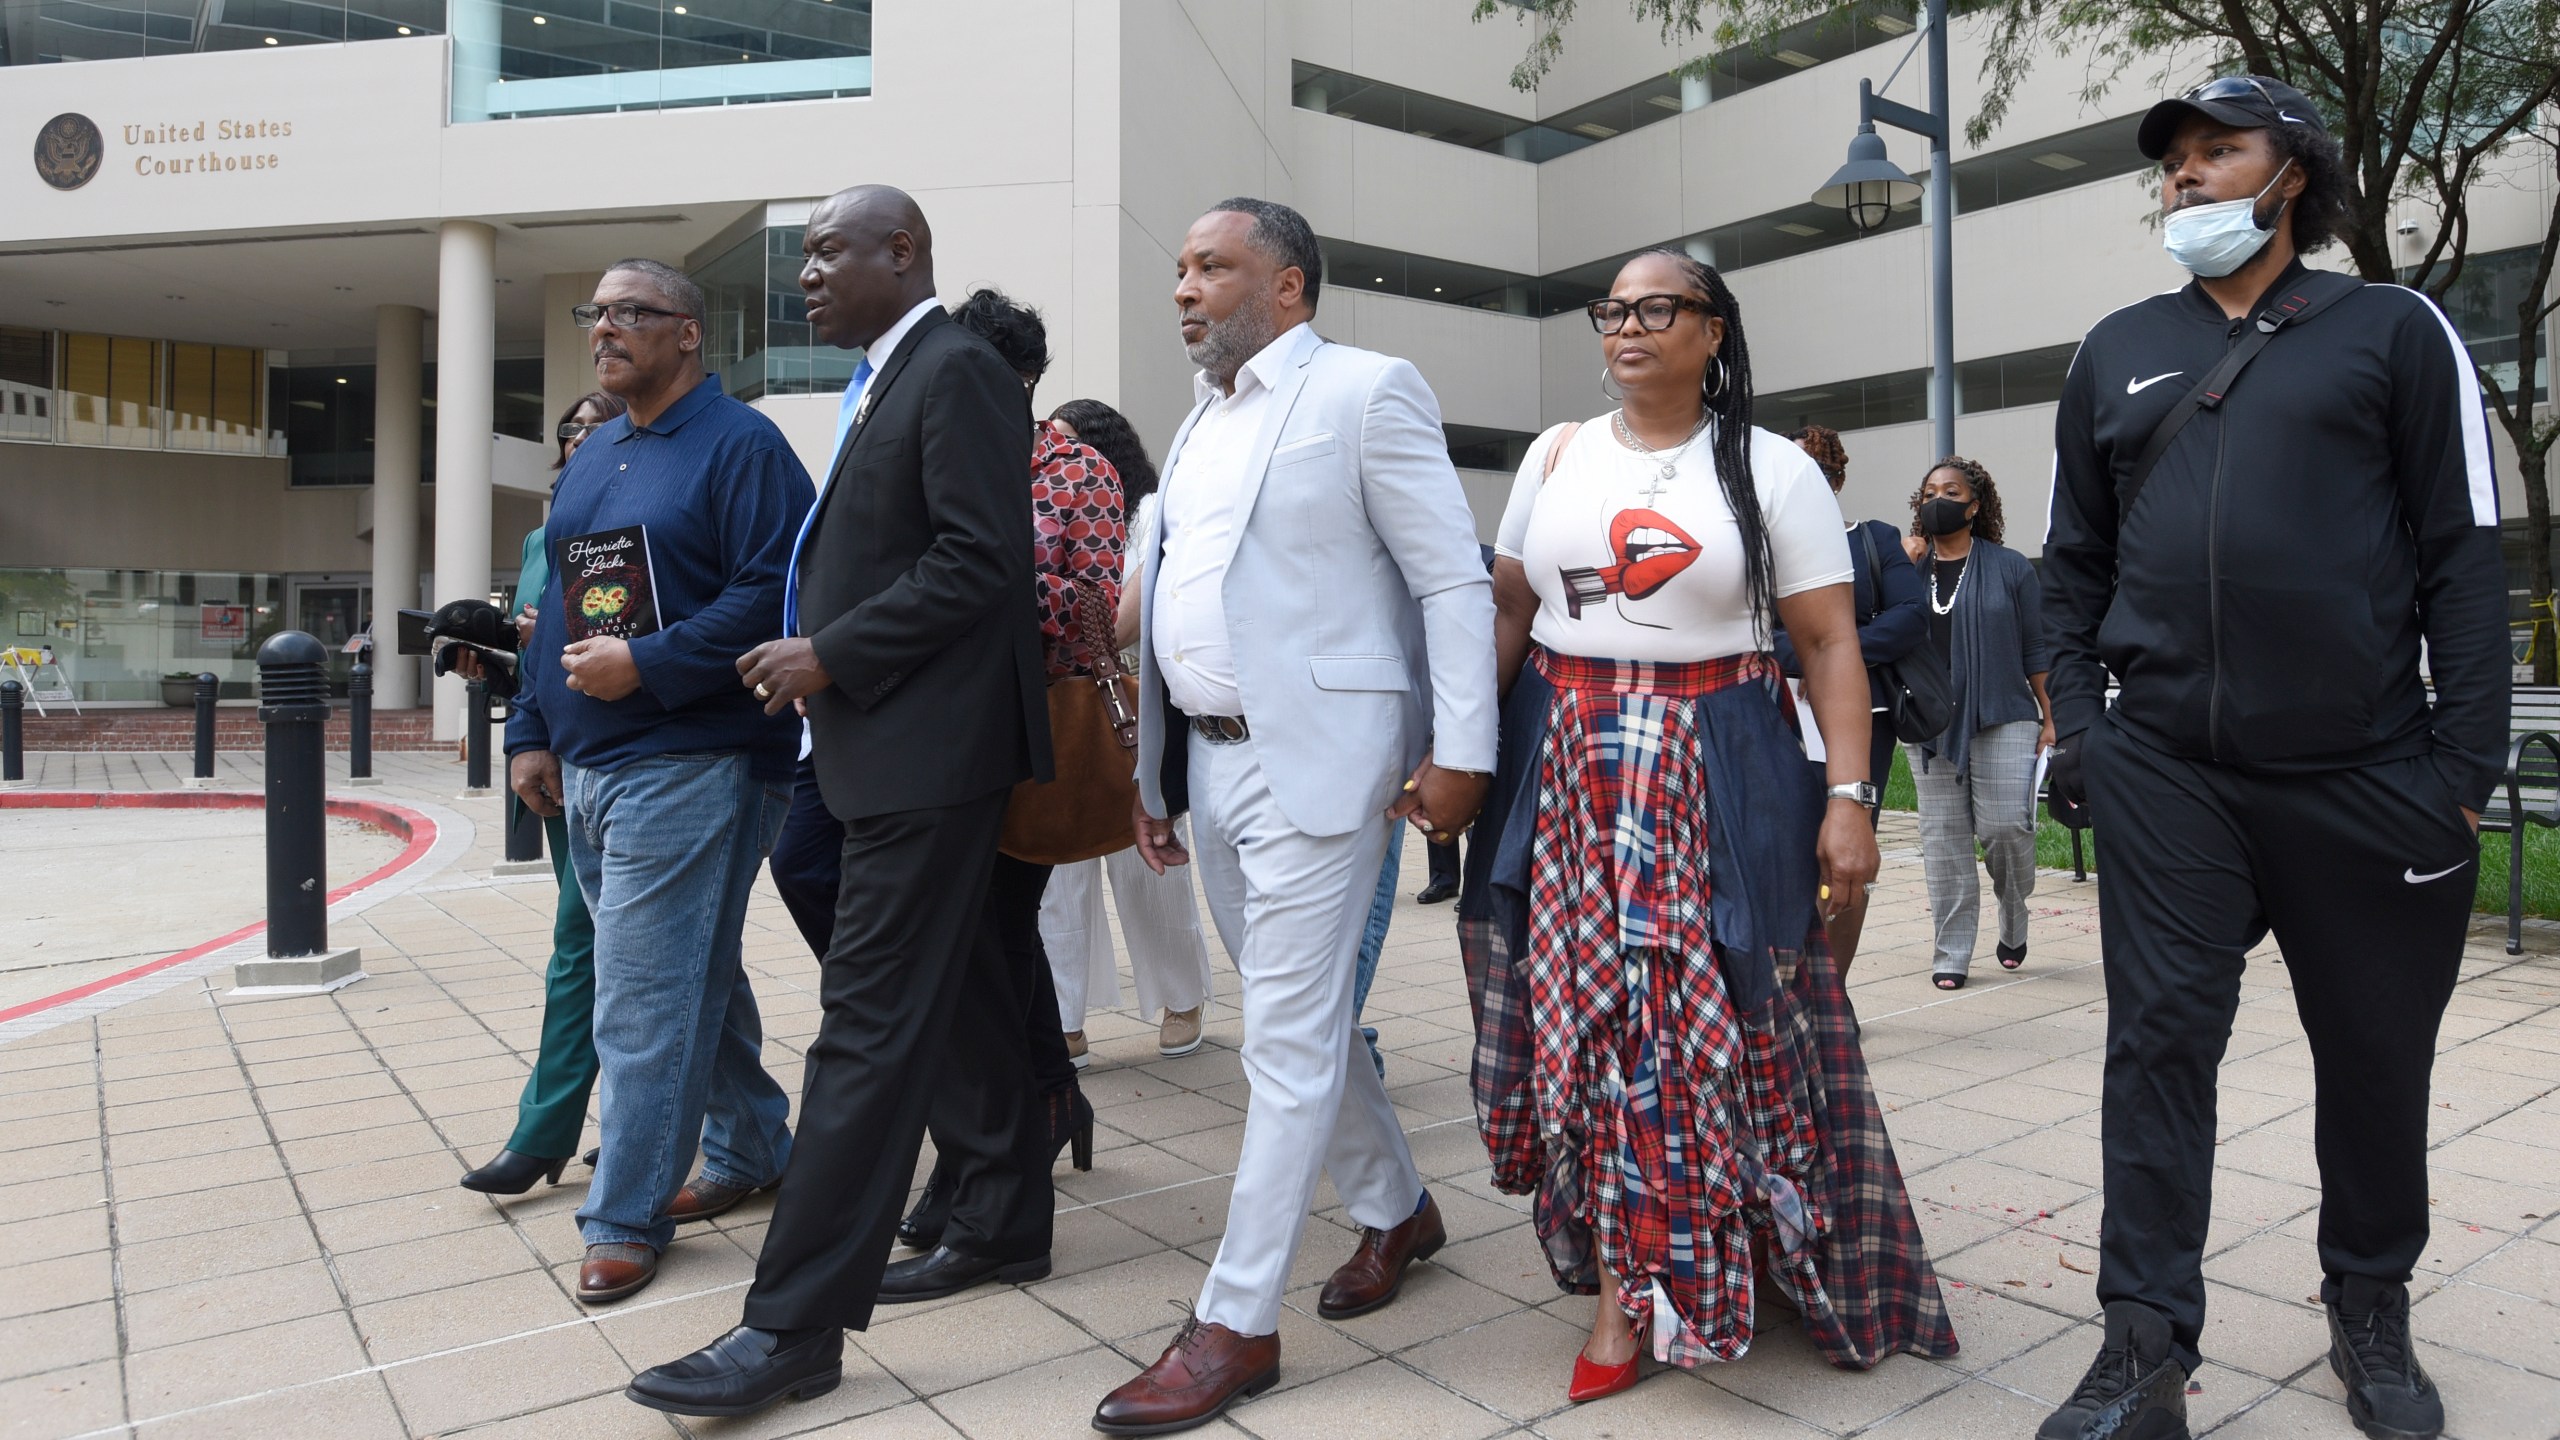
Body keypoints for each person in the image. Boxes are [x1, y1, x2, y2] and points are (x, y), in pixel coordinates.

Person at [2036, 77, 2505, 1440]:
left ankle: (2369, 1306)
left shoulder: (2392, 330)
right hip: (2172, 772)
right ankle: (2145, 1347)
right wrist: (2089, 728)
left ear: (2289, 172)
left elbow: (2462, 563)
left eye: (2215, 152)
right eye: (2172, 163)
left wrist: (2459, 771)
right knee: (2160, 1050)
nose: (2184, 179)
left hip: (2370, 775)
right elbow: (2071, 566)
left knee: (2373, 1061)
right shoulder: (2116, 347)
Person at [1468, 247, 1957, 1402]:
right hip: (1567, 757)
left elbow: (1831, 643)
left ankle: (1683, 1267)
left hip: (1715, 759)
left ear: (1713, 331)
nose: (1627, 328)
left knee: (1701, 1026)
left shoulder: (1771, 468)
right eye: (1612, 311)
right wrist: (1456, 756)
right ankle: (1620, 1271)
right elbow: (1505, 612)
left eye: (1657, 309)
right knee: (1583, 1019)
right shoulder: (1554, 456)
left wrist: (1850, 802)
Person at [626, 185, 1050, 1419]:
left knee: (861, 1034)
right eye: (801, 255)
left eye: (825, 252)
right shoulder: (889, 373)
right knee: (964, 982)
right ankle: (1006, 1215)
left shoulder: (954, 366)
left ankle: (791, 1326)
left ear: (901, 252)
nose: (804, 275)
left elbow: (982, 559)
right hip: (887, 743)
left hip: (927, 752)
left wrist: (831, 653)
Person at [1090, 198, 1498, 1437]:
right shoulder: (1198, 424)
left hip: (1326, 762)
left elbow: (1446, 575)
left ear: (1290, 288)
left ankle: (1234, 1321)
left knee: (1284, 1036)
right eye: (1178, 271)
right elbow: (1178, 606)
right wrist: (1156, 775)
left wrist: (1461, 756)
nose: (1184, 289)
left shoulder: (1367, 391)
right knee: (1303, 1019)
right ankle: (1398, 1210)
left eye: (1211, 267)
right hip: (1211, 769)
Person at [502, 262, 809, 1305]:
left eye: (633, 313)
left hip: (697, 762)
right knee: (685, 978)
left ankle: (624, 1213)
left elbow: (780, 593)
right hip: (586, 765)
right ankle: (753, 1144)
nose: (606, 330)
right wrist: (532, 729)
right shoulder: (595, 456)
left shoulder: (744, 447)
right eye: (597, 313)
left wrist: (653, 662)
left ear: (688, 334)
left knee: (641, 997)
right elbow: (559, 613)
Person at [883, 288, 1118, 1276]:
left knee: (989, 940)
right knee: (980, 946)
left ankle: (984, 1158)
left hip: (1028, 735)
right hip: (931, 731)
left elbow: (1098, 607)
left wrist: (986, 572)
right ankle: (1035, 1108)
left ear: (1015, 380)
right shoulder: (929, 453)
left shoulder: (1076, 468)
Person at [459, 389, 626, 1195]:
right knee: (601, 947)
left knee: (588, 947)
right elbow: (535, 648)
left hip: (633, 751)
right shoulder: (541, 532)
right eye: (570, 430)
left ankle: (547, 1129)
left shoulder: (643, 508)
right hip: (558, 752)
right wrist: (494, 656)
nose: (580, 439)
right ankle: (651, 1116)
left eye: (597, 426)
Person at [1038, 398, 1217, 1067]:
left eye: (1068, 444)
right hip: (1058, 702)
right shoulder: (1042, 508)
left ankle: (1181, 998)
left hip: (1134, 704)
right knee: (1059, 869)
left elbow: (1136, 609)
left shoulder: (1147, 513)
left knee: (1148, 861)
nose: (1057, 459)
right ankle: (1062, 1017)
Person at [1770, 424, 1922, 979]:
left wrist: (1836, 657)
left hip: (1863, 719)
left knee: (1846, 856)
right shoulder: (1757, 546)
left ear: (1836, 480)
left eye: (1820, 473)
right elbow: (1750, 628)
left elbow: (1910, 616)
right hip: (1778, 712)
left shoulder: (1874, 539)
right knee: (1785, 850)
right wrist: (1811, 656)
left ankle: (1831, 992)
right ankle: (1782, 988)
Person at [1895, 457, 2051, 989]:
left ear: (1975, 504)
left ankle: (2013, 910)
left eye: (1951, 490)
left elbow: (2036, 647)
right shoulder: (1906, 570)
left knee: (2006, 829)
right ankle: (1952, 951)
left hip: (2004, 713)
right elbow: (1866, 623)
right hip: (1927, 721)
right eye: (1930, 491)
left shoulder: (2011, 568)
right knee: (1943, 840)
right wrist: (1898, 562)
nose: (1939, 498)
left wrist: (2051, 718)